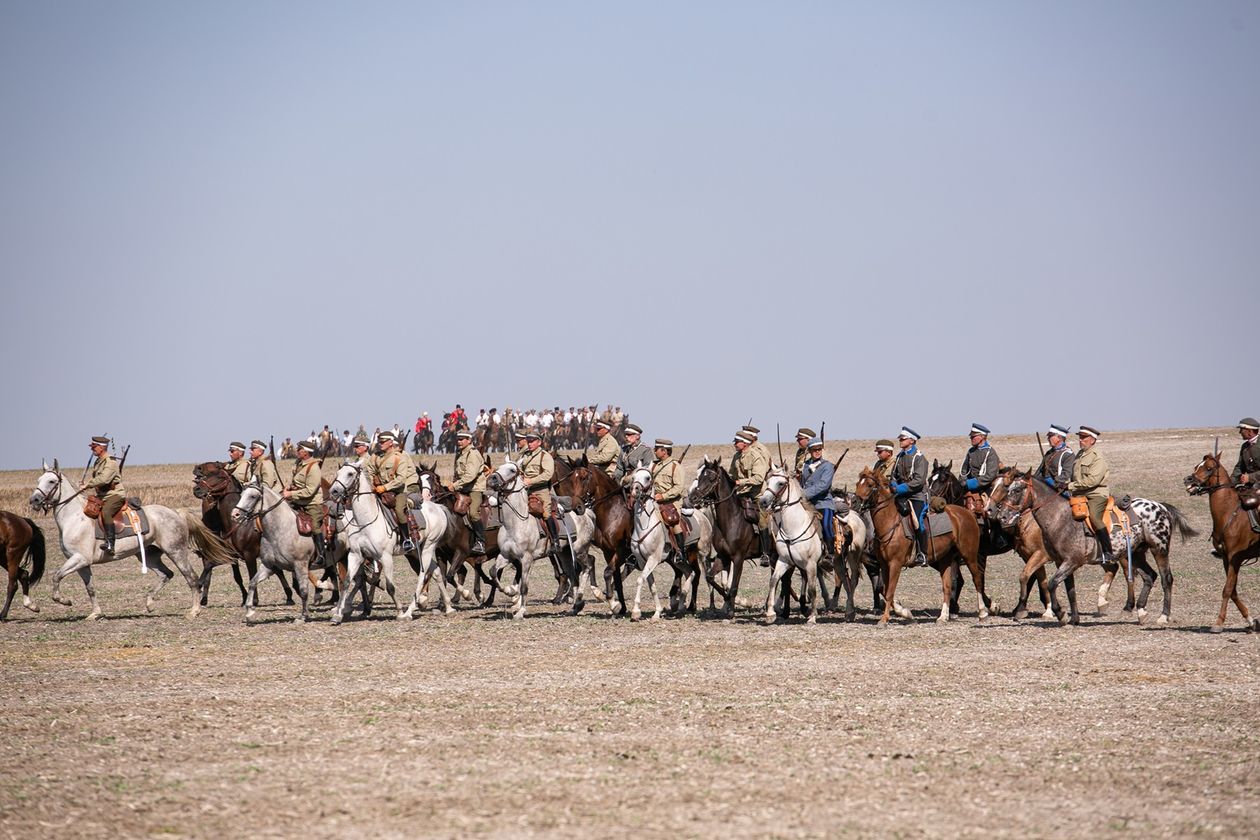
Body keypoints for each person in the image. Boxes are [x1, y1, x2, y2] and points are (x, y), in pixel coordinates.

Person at [1067, 425, 1113, 563]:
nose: (1081, 440)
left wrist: (1070, 485)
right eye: (1080, 437)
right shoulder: (1079, 455)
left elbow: (1092, 481)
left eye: (1084, 438)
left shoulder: (1097, 457)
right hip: (1079, 493)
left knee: (1094, 517)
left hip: (1095, 494)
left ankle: (1108, 552)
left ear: (1092, 440)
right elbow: (1075, 476)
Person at [731, 426, 772, 564]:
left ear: (745, 443)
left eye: (737, 441)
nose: (734, 444)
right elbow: (732, 474)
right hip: (742, 493)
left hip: (757, 494)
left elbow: (759, 478)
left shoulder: (756, 456)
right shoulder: (736, 457)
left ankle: (766, 552)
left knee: (762, 520)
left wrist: (740, 482)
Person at [372, 431, 420, 546]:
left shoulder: (399, 457)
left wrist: (385, 487)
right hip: (380, 490)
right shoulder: (377, 457)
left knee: (399, 510)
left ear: (390, 443)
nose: (380, 444)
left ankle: (406, 539)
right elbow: (370, 470)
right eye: (380, 442)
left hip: (398, 490)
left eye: (383, 442)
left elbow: (400, 479)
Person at [890, 427, 929, 566]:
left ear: (912, 441)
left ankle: (922, 553)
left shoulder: (919, 458)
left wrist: (899, 488)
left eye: (903, 438)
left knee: (916, 520)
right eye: (900, 438)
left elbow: (918, 481)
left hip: (917, 495)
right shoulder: (900, 456)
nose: (900, 440)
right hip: (901, 495)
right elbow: (894, 475)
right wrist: (893, 484)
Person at [283, 440, 326, 563]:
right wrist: (289, 486)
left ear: (306, 452)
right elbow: (296, 480)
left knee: (315, 526)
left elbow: (310, 491)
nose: (297, 451)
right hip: (297, 501)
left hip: (311, 503)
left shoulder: (314, 468)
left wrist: (291, 494)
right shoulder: (299, 463)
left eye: (299, 450)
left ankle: (321, 554)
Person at [83, 435, 126, 553]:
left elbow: (104, 479)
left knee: (106, 511)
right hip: (102, 495)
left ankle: (111, 544)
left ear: (102, 448)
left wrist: (87, 484)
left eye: (94, 447)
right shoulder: (99, 461)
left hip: (114, 494)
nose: (92, 449)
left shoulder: (110, 462)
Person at [519, 431, 559, 550]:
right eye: (528, 441)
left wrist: (530, 481)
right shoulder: (526, 455)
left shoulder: (544, 456)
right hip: (525, 489)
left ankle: (555, 540)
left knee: (546, 513)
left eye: (532, 441)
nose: (529, 444)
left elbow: (547, 474)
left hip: (541, 490)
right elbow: (521, 470)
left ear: (539, 442)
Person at [452, 429, 488, 554]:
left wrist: (455, 485)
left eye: (462, 439)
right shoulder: (460, 453)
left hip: (474, 489)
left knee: (473, 513)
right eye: (458, 439)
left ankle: (480, 541)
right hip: (463, 488)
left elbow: (470, 476)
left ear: (469, 440)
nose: (459, 442)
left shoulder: (472, 454)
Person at [651, 439, 685, 556]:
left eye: (656, 449)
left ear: (664, 451)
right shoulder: (655, 465)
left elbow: (678, 488)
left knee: (673, 521)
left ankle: (680, 552)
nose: (654, 451)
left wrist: (663, 496)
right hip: (655, 500)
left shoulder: (675, 467)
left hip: (672, 502)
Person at [801, 438, 836, 551]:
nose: (817, 452)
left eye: (819, 449)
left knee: (826, 525)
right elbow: (803, 483)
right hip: (807, 503)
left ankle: (830, 552)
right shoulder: (805, 466)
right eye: (814, 450)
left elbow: (823, 485)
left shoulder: (828, 466)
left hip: (823, 502)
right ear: (809, 451)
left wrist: (804, 494)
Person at [959, 423, 1000, 495]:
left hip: (986, 488)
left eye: (973, 437)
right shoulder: (971, 451)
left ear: (982, 436)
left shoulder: (990, 453)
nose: (971, 438)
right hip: (968, 487)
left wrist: (969, 484)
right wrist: (962, 480)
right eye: (971, 437)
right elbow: (964, 470)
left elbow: (990, 476)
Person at [1034, 424, 1075, 493]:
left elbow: (1066, 474)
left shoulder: (1068, 454)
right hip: (1045, 487)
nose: (1048, 438)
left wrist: (1052, 483)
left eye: (1050, 436)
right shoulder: (1049, 452)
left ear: (1059, 437)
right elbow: (1040, 471)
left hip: (1060, 490)